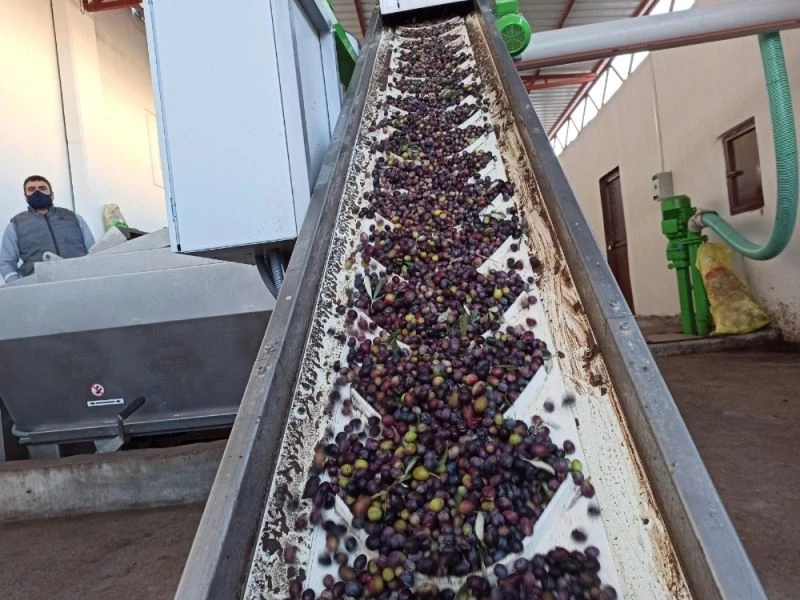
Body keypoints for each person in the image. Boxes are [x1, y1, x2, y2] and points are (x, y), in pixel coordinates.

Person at [0, 175, 95, 283]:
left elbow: (93, 251)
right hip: (39, 287)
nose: (37, 192)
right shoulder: (16, 225)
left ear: (52, 194)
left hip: (81, 280)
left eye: (42, 188)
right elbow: (6, 262)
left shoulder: (73, 218)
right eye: (31, 189)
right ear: (26, 197)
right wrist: (17, 284)